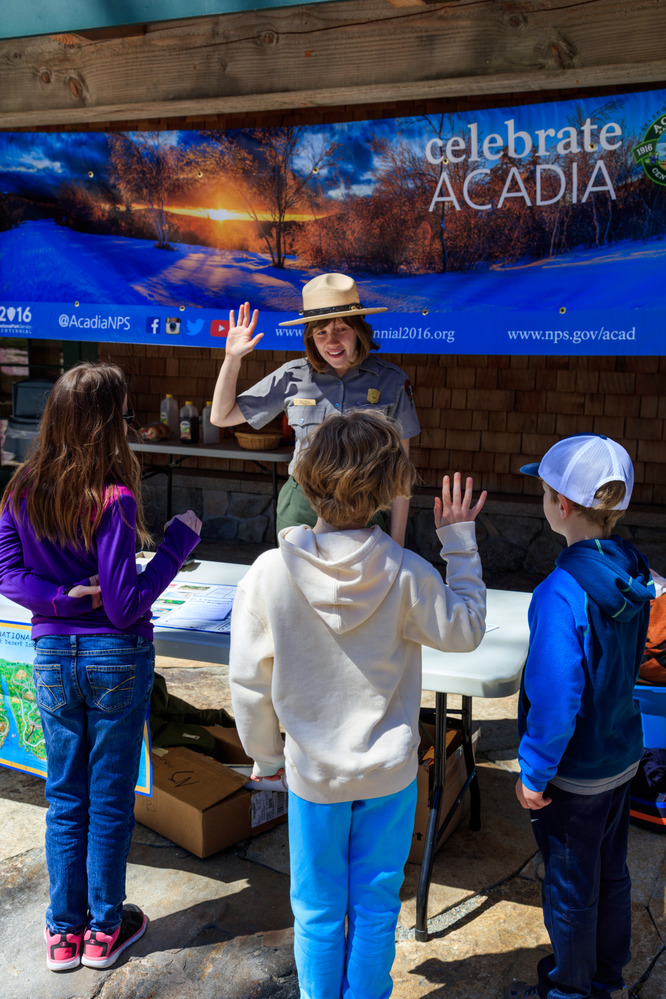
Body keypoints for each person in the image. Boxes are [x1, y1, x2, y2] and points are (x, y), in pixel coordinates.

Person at [228, 410, 487, 999]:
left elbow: (248, 681)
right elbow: (467, 629)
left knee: (316, 911)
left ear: (305, 478)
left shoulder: (269, 574)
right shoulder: (407, 574)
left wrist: (266, 755)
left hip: (313, 775)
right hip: (389, 774)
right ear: (390, 487)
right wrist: (461, 546)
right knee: (375, 906)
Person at [0, 362, 202, 973]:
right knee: (109, 798)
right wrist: (175, 546)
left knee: (65, 796)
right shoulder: (112, 498)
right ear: (108, 424)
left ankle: (64, 934)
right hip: (116, 656)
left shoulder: (19, 489)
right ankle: (104, 930)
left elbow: (9, 575)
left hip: (54, 656)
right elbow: (124, 606)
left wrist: (60, 602)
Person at [506, 433, 655, 999]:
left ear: (560, 505)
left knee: (570, 889)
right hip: (619, 754)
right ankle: (605, 979)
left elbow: (556, 697)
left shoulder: (558, 592)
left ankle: (570, 991)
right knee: (611, 874)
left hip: (574, 776)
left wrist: (534, 771)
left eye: (543, 491)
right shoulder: (631, 569)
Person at [210, 272, 420, 544]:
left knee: (359, 586)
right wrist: (232, 359)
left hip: (366, 503)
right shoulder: (291, 376)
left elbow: (401, 471)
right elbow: (221, 416)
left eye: (341, 329)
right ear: (310, 336)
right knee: (299, 585)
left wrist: (398, 541)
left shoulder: (391, 380)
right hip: (301, 506)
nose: (331, 341)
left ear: (358, 330)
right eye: (321, 332)